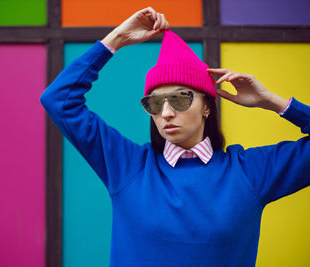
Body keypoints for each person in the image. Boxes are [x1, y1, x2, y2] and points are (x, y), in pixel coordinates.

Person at [40, 7, 310, 267]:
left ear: (207, 106)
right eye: (155, 104)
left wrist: (274, 102)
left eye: (180, 99)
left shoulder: (250, 172)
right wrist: (116, 40)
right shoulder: (127, 165)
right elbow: (58, 100)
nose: (166, 112)